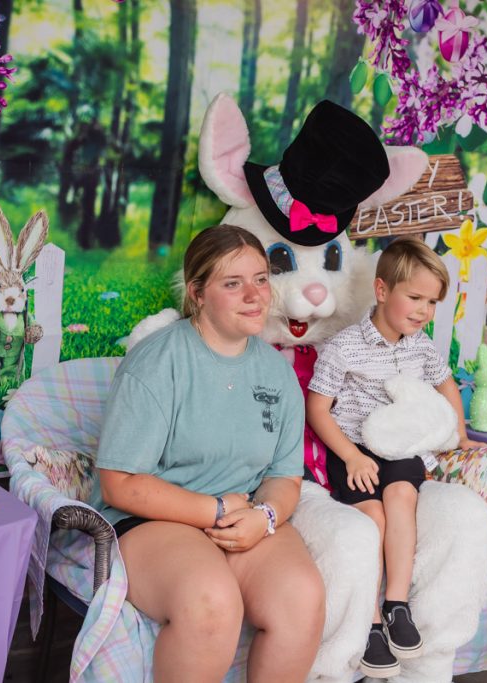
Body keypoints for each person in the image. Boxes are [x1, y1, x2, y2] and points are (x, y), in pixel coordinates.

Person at [95, 224, 325, 682]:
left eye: (261, 279)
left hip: (242, 514)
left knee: (302, 597)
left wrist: (266, 517)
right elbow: (119, 484)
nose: (254, 296)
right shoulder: (157, 362)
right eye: (233, 283)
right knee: (211, 602)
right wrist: (213, 509)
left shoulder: (276, 373)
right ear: (197, 293)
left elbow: (284, 476)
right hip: (155, 520)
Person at [306, 237, 484, 678]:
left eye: (432, 302)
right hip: (355, 450)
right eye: (416, 298)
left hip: (401, 447)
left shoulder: (420, 346)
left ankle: (396, 606)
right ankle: (368, 625)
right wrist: (350, 456)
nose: (424, 311)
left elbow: (446, 384)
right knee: (373, 517)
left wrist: (460, 435)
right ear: (382, 290)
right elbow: (317, 408)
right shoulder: (345, 346)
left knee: (402, 497)